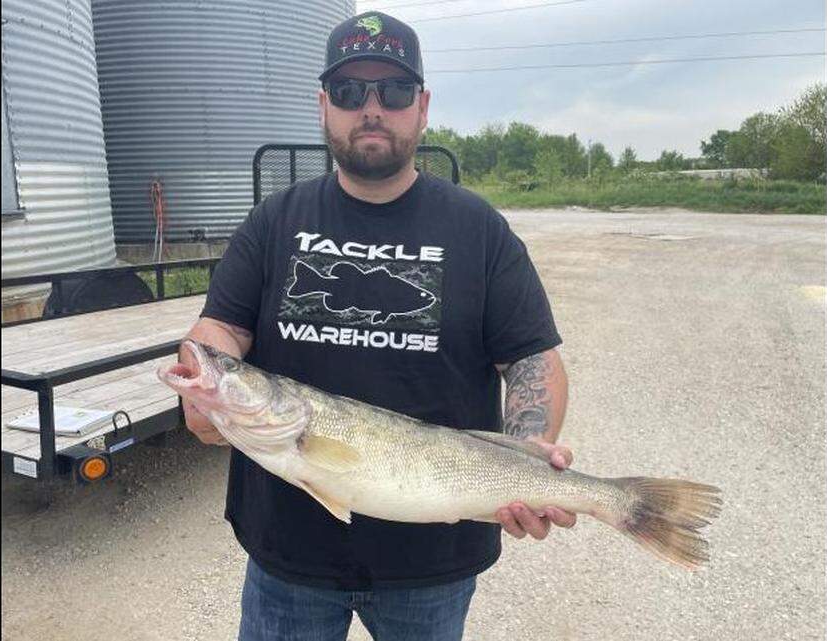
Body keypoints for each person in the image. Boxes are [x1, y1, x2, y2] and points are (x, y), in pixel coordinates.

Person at [179, 11, 574, 641]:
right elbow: (219, 331)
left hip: (433, 566)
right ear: (323, 106)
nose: (371, 108)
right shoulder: (273, 220)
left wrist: (527, 458)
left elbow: (533, 360)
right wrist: (206, 377)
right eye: (348, 92)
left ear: (421, 108)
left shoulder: (478, 229)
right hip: (288, 557)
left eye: (391, 92)